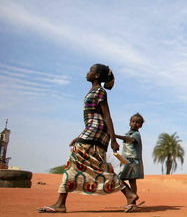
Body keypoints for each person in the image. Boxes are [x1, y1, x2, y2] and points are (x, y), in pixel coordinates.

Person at [37, 64, 139, 213]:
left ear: (97, 75)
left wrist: (113, 139)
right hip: (92, 131)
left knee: (74, 162)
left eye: (90, 71)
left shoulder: (100, 92)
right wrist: (79, 137)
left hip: (96, 132)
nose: (87, 73)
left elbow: (106, 116)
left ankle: (60, 203)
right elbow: (93, 119)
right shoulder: (93, 91)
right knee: (98, 166)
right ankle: (129, 194)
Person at [116, 113, 145, 205]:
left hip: (133, 160)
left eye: (137, 122)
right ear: (129, 123)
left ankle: (132, 200)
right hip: (126, 160)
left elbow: (128, 139)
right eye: (133, 121)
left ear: (140, 125)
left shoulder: (136, 134)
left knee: (129, 180)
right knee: (123, 180)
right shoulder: (128, 133)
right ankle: (132, 198)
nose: (135, 124)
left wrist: (114, 136)